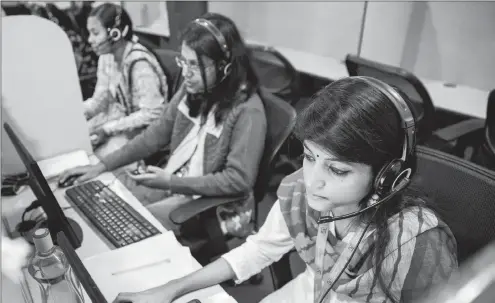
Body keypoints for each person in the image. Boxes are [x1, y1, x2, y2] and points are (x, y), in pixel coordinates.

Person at [112, 77, 459, 303]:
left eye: (337, 169)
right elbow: (259, 250)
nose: (312, 180)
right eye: (309, 157)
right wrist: (170, 290)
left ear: (388, 175)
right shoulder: (301, 194)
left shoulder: (416, 245)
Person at [59, 13, 267, 237]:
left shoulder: (248, 111)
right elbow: (155, 135)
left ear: (224, 67)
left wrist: (172, 182)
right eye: (183, 62)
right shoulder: (194, 90)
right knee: (106, 206)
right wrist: (100, 167)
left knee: (129, 229)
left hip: (214, 208)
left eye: (195, 65)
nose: (185, 73)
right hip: (177, 185)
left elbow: (238, 181)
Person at [83, 3, 169, 158]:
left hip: (145, 131)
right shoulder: (106, 58)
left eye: (95, 33)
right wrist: (77, 114)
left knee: (102, 157)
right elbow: (100, 99)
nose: (90, 40)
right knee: (82, 140)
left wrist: (108, 129)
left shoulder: (139, 63)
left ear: (115, 33)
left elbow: (153, 112)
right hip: (123, 123)